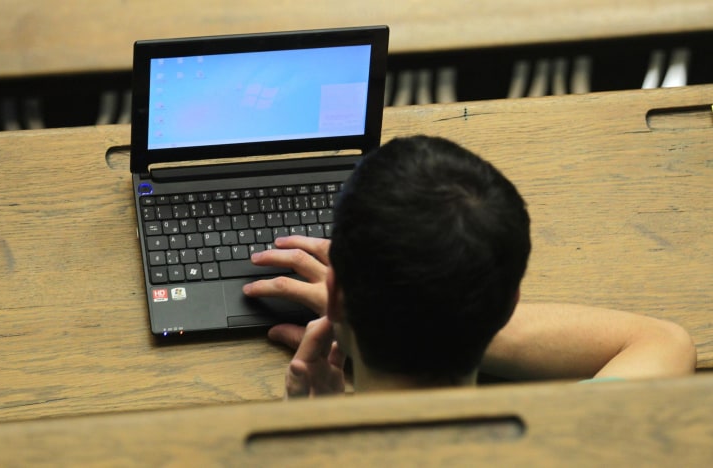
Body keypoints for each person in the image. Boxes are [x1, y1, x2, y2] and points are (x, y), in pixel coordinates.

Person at [242, 135, 697, 397]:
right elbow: (665, 341)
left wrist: (320, 434)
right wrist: (453, 307)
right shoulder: (583, 439)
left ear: (335, 297)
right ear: (508, 306)